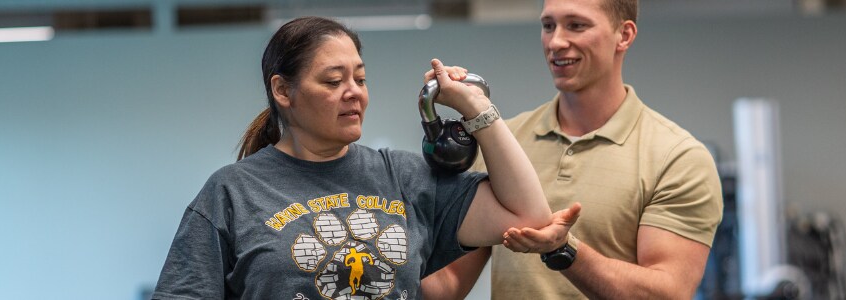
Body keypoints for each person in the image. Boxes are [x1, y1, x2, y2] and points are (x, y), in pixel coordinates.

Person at [151, 16, 552, 300]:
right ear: (283, 91)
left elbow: (528, 215)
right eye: (333, 81)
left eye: (360, 79)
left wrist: (477, 108)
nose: (354, 92)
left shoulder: (404, 175)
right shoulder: (231, 192)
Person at [421, 0, 723, 299]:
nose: (556, 41)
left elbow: (666, 293)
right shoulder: (502, 142)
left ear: (625, 35)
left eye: (576, 25)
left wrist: (562, 249)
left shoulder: (678, 157)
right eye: (548, 25)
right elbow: (447, 284)